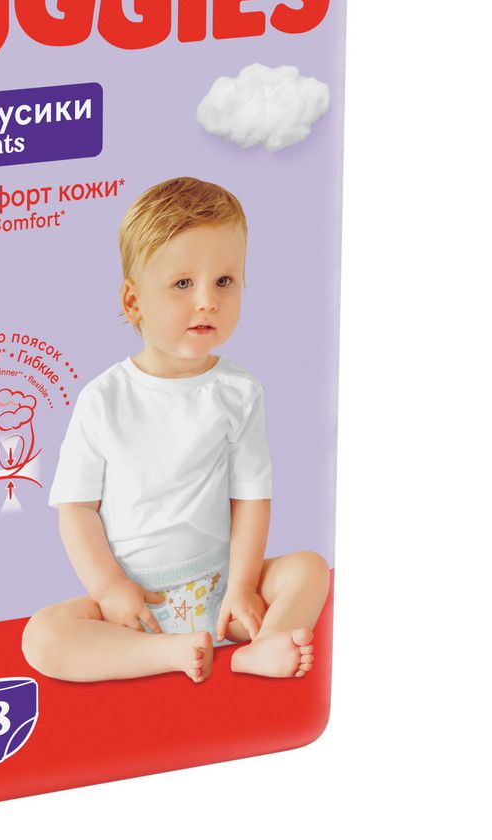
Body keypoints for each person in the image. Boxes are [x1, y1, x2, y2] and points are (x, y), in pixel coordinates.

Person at [22, 177, 330, 684]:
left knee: (309, 568)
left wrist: (242, 587)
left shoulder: (239, 392)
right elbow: (76, 510)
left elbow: (251, 498)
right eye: (183, 284)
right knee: (43, 636)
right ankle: (165, 652)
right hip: (137, 604)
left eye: (225, 281)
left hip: (222, 589)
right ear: (134, 301)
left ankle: (263, 646)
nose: (207, 300)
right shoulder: (103, 399)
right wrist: (110, 589)